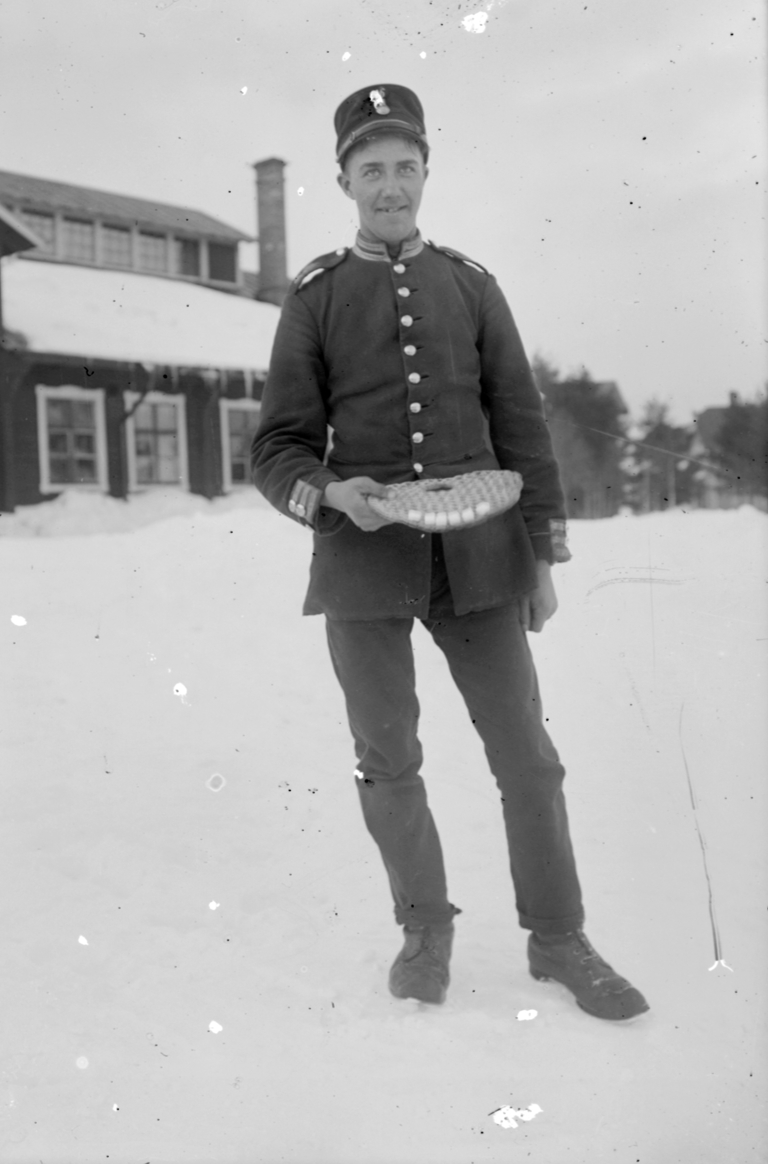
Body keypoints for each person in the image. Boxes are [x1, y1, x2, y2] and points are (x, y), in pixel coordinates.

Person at [250, 84, 648, 1021]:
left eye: (405, 167)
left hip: (481, 561)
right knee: (388, 760)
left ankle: (559, 938)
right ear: (344, 182)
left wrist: (542, 557)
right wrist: (331, 493)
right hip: (363, 561)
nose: (390, 186)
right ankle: (424, 930)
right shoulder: (315, 297)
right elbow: (277, 447)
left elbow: (522, 427)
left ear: (426, 173)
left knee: (529, 758)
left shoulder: (472, 286)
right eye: (371, 170)